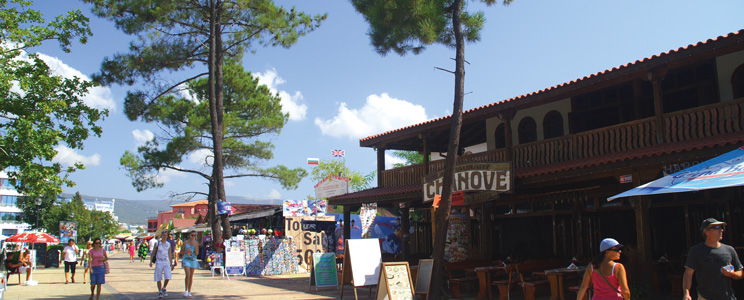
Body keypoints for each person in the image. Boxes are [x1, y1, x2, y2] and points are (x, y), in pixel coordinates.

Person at [683, 218, 743, 300]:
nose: (721, 230)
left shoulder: (729, 250)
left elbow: (740, 272)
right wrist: (686, 293)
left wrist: (732, 274)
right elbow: (688, 273)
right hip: (705, 297)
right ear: (706, 232)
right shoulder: (696, 250)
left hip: (728, 297)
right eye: (717, 228)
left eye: (721, 227)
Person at [150, 231, 175, 298]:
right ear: (161, 236)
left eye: (166, 235)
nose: (165, 236)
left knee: (168, 276)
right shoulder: (157, 243)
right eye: (163, 235)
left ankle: (164, 287)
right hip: (159, 261)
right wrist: (151, 261)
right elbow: (153, 252)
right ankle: (160, 291)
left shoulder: (168, 244)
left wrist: (171, 263)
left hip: (166, 261)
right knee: (158, 276)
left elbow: (169, 253)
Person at [181, 230, 200, 298]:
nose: (193, 237)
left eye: (194, 235)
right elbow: (181, 252)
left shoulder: (196, 243)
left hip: (193, 259)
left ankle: (189, 291)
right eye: (192, 235)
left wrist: (195, 246)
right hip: (186, 259)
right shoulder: (185, 242)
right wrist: (186, 251)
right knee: (188, 274)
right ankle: (186, 290)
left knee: (191, 276)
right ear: (189, 235)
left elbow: (197, 253)